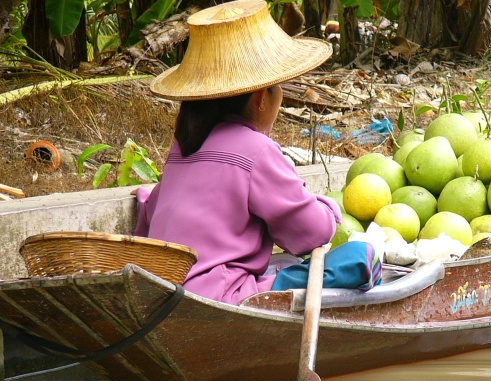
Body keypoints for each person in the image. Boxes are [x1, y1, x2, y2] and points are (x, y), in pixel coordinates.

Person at [134, 0, 380, 305]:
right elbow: (312, 233)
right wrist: (330, 208)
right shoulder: (256, 151)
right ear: (261, 98)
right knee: (360, 257)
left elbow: (152, 211)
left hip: (159, 292)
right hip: (217, 298)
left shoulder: (182, 148)